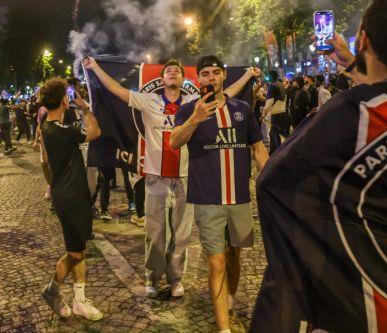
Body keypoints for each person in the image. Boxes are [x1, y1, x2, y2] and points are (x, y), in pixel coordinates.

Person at [250, 1, 387, 332]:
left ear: (362, 40)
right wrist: (352, 65)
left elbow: (272, 183)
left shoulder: (346, 115)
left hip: (357, 305)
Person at [83, 56, 260, 299]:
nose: (173, 73)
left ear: (184, 78)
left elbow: (227, 93)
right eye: (168, 71)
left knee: (182, 234)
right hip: (156, 177)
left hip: (186, 177)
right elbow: (117, 90)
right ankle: (153, 278)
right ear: (162, 78)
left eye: (177, 70)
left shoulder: (194, 103)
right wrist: (94, 68)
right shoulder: (149, 101)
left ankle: (176, 279)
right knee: (155, 234)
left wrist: (249, 75)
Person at [170, 55, 269, 333]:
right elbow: (175, 142)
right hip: (207, 199)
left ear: (224, 75)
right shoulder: (188, 110)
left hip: (238, 197)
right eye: (205, 74)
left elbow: (258, 149)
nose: (211, 78)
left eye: (215, 72)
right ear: (197, 79)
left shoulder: (243, 110)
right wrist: (194, 120)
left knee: (235, 255)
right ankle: (224, 329)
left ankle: (229, 302)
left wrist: (272, 178)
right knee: (216, 263)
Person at [40, 77, 103, 321]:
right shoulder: (60, 131)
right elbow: (95, 131)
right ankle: (52, 290)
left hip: (68, 192)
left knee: (78, 248)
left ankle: (79, 299)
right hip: (71, 195)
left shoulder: (50, 126)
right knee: (76, 252)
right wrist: (85, 109)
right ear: (64, 100)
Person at [261, 70, 290, 154]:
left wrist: (263, 114)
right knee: (281, 135)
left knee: (274, 136)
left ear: (271, 76)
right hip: (283, 113)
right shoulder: (281, 84)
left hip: (276, 115)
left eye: (268, 75)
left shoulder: (272, 86)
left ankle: (276, 155)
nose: (268, 77)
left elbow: (269, 102)